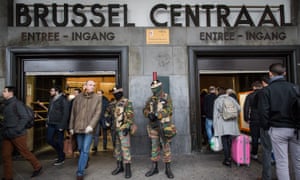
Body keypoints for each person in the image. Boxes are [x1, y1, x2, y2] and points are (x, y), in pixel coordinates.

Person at [258, 63, 300, 180]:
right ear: (285, 73)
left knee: (282, 162)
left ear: (270, 73)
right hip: (296, 129)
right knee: (298, 161)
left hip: (277, 128)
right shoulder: (295, 88)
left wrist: (266, 127)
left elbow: (263, 112)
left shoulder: (267, 91)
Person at [1, 86, 42, 179]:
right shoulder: (5, 104)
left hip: (17, 134)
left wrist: (17, 130)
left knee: (25, 153)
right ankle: (8, 177)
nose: (2, 93)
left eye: (4, 91)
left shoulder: (17, 104)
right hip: (7, 133)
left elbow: (25, 118)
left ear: (10, 93)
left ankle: (38, 166)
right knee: (5, 155)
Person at [69, 80, 102, 180]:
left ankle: (80, 172)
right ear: (85, 86)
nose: (93, 86)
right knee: (80, 148)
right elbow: (73, 113)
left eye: (94, 85)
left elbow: (97, 113)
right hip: (78, 128)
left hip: (88, 129)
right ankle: (85, 161)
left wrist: (91, 126)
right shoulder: (78, 98)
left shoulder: (97, 98)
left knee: (85, 150)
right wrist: (71, 127)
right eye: (91, 85)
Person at [143, 77, 175, 179]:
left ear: (160, 87)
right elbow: (145, 109)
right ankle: (154, 168)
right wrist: (148, 114)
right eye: (153, 88)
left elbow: (169, 109)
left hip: (164, 127)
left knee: (166, 147)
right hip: (153, 127)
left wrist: (158, 115)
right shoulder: (150, 99)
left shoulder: (166, 97)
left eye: (156, 88)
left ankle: (168, 169)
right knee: (154, 148)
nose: (154, 90)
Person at [107, 87, 134, 179]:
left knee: (125, 149)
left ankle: (128, 169)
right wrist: (107, 119)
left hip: (123, 129)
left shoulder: (127, 102)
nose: (116, 95)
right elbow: (107, 113)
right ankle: (119, 167)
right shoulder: (112, 103)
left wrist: (127, 126)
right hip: (114, 130)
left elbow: (130, 116)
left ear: (121, 93)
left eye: (118, 93)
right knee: (117, 149)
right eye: (114, 93)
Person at [213, 87, 240, 167]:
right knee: (230, 140)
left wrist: (215, 125)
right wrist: (234, 116)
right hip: (231, 123)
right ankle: (230, 156)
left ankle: (227, 159)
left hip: (222, 123)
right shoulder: (232, 99)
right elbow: (238, 109)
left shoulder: (217, 100)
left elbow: (215, 114)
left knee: (224, 140)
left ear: (218, 92)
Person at [42, 86, 70, 166]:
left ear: (57, 91)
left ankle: (61, 158)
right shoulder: (52, 99)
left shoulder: (63, 99)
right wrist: (47, 121)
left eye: (52, 90)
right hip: (51, 123)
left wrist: (62, 125)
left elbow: (65, 113)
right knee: (49, 139)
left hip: (59, 124)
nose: (50, 92)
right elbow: (49, 112)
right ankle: (60, 153)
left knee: (59, 141)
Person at [256, 76, 273, 180]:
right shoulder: (292, 88)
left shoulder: (263, 92)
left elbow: (262, 111)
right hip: (289, 126)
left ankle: (266, 177)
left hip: (268, 125)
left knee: (266, 150)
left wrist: (264, 126)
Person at [243, 81, 263, 160]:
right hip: (264, 118)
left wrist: (246, 118)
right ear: (261, 86)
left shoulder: (250, 95)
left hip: (254, 118)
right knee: (265, 137)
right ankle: (267, 154)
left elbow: (246, 108)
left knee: (254, 137)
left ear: (254, 87)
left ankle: (254, 153)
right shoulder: (265, 94)